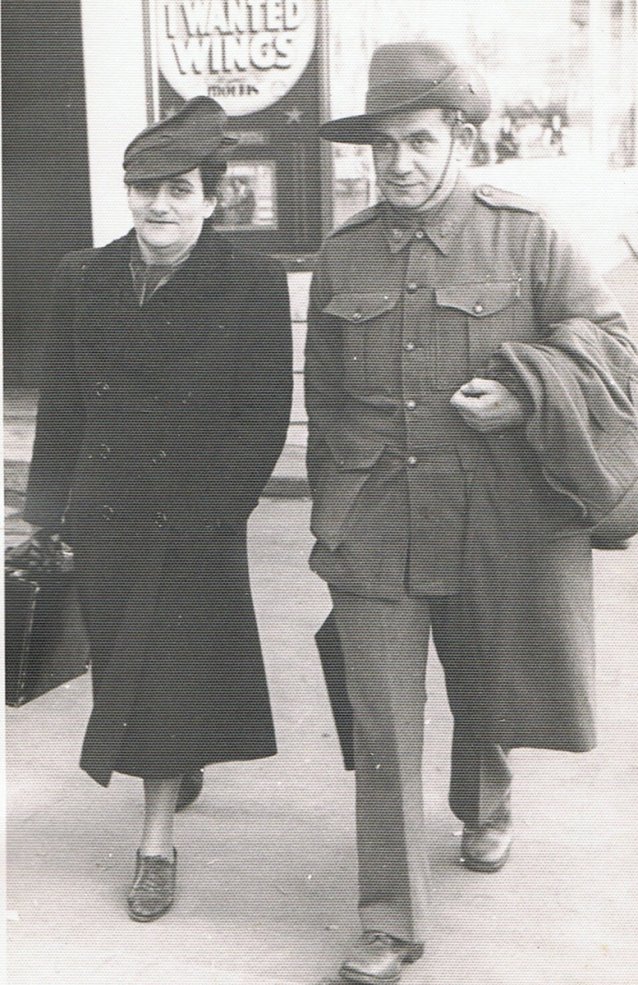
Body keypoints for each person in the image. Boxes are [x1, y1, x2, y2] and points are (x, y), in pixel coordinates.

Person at [305, 42, 638, 983]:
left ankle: (486, 805)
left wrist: (529, 393)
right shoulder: (343, 251)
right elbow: (326, 400)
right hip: (374, 521)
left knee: (484, 679)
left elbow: (614, 350)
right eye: (383, 145)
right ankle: (389, 918)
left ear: (459, 138)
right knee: (383, 720)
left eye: (417, 140)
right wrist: (335, 507)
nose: (398, 163)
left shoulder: (528, 236)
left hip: (496, 515)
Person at [20, 96, 293, 922]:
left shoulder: (251, 280)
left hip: (195, 516)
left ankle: (155, 842)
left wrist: (220, 510)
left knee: (161, 670)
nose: (159, 206)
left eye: (177, 189)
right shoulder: (82, 275)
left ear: (213, 197)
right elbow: (62, 406)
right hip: (105, 514)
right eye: (144, 189)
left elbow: (263, 413)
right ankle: (175, 760)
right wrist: (44, 518)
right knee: (133, 668)